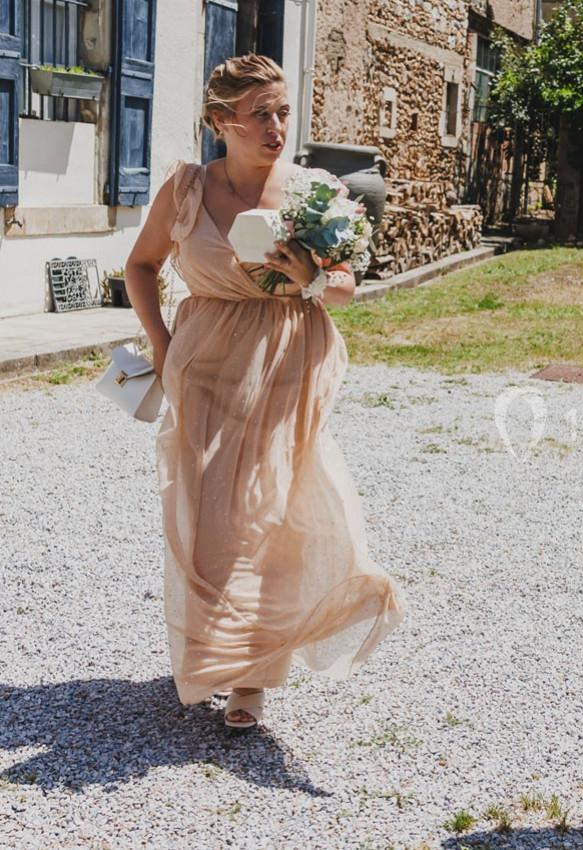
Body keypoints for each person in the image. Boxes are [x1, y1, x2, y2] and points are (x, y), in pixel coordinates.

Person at [125, 54, 405, 729]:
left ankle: (252, 676)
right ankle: (215, 649)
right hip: (204, 369)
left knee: (269, 512)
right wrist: (162, 348)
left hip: (285, 365)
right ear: (222, 122)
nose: (277, 126)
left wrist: (312, 275)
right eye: (261, 115)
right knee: (210, 516)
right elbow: (139, 265)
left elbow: (345, 286)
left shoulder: (312, 191)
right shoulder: (186, 190)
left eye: (282, 111)